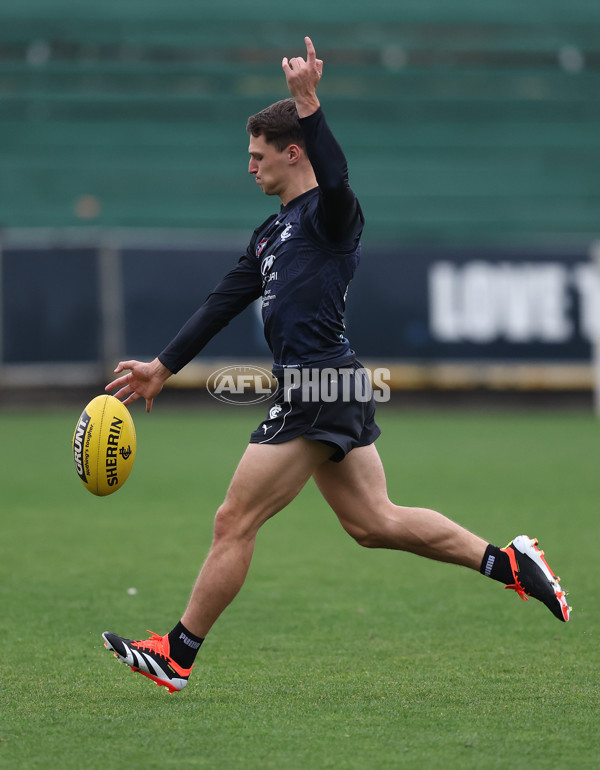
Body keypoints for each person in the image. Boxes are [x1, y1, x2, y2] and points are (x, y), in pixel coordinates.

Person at [102, 37, 571, 694]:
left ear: (293, 152)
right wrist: (162, 366)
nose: (249, 168)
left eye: (257, 156)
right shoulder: (269, 234)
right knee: (372, 523)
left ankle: (177, 655)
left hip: (318, 385)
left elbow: (340, 178)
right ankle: (510, 564)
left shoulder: (330, 217)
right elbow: (221, 303)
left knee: (233, 520)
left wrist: (310, 104)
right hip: (328, 385)